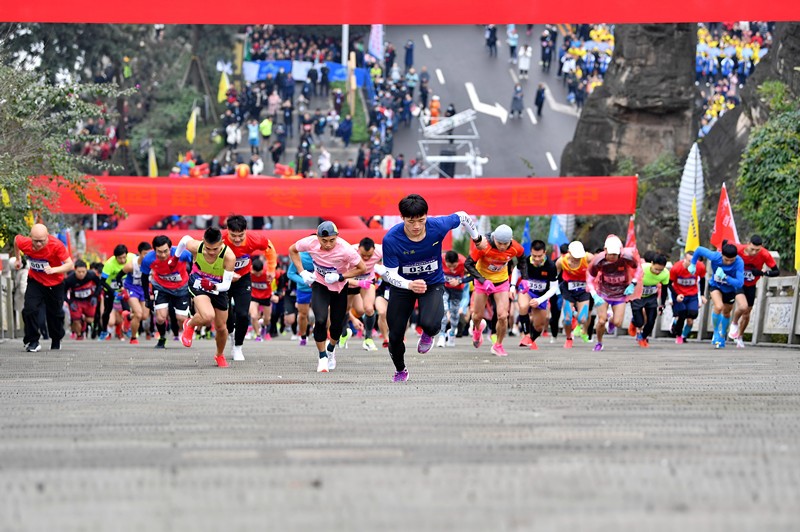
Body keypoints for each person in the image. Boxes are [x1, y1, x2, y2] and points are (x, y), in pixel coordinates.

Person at [381, 195, 485, 382]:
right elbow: (389, 274)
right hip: (403, 286)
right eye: (411, 221)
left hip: (432, 283)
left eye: (421, 220)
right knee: (395, 335)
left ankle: (428, 334)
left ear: (426, 216)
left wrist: (477, 238)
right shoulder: (391, 239)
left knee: (430, 324)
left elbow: (462, 216)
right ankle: (400, 369)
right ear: (402, 218)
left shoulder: (438, 226)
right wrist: (409, 284)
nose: (417, 226)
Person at [288, 221, 366, 373]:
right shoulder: (310, 242)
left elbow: (361, 268)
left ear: (337, 236)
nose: (328, 244)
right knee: (321, 319)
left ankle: (331, 349)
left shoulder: (346, 249)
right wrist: (302, 272)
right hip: (320, 284)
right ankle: (322, 356)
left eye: (332, 240)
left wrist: (341, 276)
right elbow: (292, 250)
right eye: (324, 240)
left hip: (339, 288)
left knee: (337, 325)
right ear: (317, 237)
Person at [175, 228, 237, 367]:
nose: (211, 252)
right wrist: (176, 257)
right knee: (208, 316)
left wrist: (213, 286)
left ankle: (219, 355)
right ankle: (190, 324)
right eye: (208, 248)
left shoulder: (229, 256)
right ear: (203, 242)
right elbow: (184, 239)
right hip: (197, 284)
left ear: (222, 242)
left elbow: (226, 285)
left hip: (218, 288)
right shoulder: (196, 246)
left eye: (215, 249)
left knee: (221, 327)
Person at [222, 215, 277, 361]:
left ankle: (238, 346)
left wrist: (271, 269)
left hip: (243, 279)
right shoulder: (219, 239)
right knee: (225, 314)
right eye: (233, 236)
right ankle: (232, 334)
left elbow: (270, 248)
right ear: (227, 230)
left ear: (246, 230)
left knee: (242, 313)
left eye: (241, 235)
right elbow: (204, 254)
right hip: (223, 278)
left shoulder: (254, 239)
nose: (237, 239)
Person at [465, 224, 525, 356]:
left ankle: (498, 345)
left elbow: (522, 260)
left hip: (502, 283)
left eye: (505, 243)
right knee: (477, 316)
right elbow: (468, 264)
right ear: (494, 238)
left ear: (511, 239)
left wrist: (524, 278)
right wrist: (483, 280)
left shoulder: (515, 247)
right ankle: (477, 329)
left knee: (503, 316)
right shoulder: (483, 245)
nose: (502, 246)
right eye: (499, 243)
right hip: (482, 282)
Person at [14, 224, 74, 351]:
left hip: (55, 284)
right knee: (29, 309)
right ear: (31, 238)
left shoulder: (56, 245)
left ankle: (56, 339)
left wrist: (54, 270)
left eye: (42, 241)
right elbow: (16, 240)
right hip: (35, 281)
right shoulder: (25, 243)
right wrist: (18, 259)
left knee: (55, 314)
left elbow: (70, 265)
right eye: (36, 241)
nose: (39, 244)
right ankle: (33, 341)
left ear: (47, 237)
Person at [587, 235, 643, 352]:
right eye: (610, 254)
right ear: (605, 250)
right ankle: (599, 342)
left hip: (620, 293)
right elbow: (589, 278)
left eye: (615, 255)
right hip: (603, 292)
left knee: (617, 322)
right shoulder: (598, 260)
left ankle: (611, 319)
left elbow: (638, 269)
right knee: (601, 321)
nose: (612, 257)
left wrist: (633, 283)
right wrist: (594, 294)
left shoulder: (627, 257)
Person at [140, 235, 194, 349]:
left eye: (165, 251)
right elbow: (144, 278)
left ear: (170, 248)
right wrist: (146, 297)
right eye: (159, 252)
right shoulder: (148, 259)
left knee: (181, 319)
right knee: (160, 318)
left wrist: (193, 284)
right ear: (154, 250)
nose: (163, 255)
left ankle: (184, 329)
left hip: (181, 288)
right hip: (161, 287)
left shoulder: (182, 254)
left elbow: (194, 265)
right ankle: (162, 338)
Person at [690, 243, 744, 348]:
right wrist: (693, 264)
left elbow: (740, 283)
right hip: (716, 286)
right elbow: (699, 249)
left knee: (727, 312)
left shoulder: (739, 262)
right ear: (721, 255)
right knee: (719, 306)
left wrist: (725, 277)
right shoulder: (715, 256)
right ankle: (715, 333)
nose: (728, 263)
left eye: (731, 260)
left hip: (730, 289)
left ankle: (722, 334)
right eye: (726, 260)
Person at [730, 235, 779, 348]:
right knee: (742, 306)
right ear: (748, 243)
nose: (754, 252)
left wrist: (762, 273)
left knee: (747, 313)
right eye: (752, 249)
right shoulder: (738, 250)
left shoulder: (764, 254)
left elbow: (776, 271)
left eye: (757, 250)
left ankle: (740, 337)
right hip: (738, 282)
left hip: (751, 284)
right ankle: (734, 323)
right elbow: (724, 252)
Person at [344, 238, 384, 352]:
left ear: (374, 250)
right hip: (350, 282)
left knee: (368, 309)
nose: (366, 258)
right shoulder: (349, 251)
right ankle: (343, 334)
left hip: (367, 281)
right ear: (358, 250)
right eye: (363, 255)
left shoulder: (380, 250)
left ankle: (368, 339)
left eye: (369, 255)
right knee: (345, 309)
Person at [517, 240, 558, 350]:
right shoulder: (525, 261)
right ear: (530, 252)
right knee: (523, 305)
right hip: (527, 291)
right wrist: (512, 286)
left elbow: (554, 288)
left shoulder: (551, 266)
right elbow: (516, 271)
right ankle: (525, 334)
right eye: (534, 255)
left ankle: (530, 339)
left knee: (539, 326)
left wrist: (540, 300)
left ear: (545, 253)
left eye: (540, 256)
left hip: (541, 296)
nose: (536, 259)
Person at [557, 240, 594, 348]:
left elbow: (598, 266)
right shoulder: (561, 261)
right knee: (567, 320)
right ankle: (569, 338)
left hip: (583, 290)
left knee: (582, 319)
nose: (578, 258)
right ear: (569, 252)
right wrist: (556, 290)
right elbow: (554, 276)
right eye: (575, 256)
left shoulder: (588, 257)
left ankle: (574, 313)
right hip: (568, 290)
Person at [629, 254, 669, 348]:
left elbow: (664, 290)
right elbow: (630, 280)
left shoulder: (666, 273)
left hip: (651, 296)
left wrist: (662, 304)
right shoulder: (642, 268)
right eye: (656, 269)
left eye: (660, 270)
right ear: (651, 264)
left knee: (651, 320)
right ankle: (634, 322)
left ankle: (643, 337)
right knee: (640, 322)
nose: (658, 272)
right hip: (637, 295)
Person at [669, 249, 707, 344]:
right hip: (679, 294)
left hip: (692, 295)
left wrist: (702, 295)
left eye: (694, 261)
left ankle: (684, 335)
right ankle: (678, 334)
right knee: (681, 315)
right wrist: (675, 296)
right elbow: (669, 284)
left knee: (692, 316)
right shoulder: (676, 268)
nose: (691, 264)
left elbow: (702, 280)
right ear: (684, 259)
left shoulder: (700, 267)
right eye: (689, 261)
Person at [120, 241, 153, 345]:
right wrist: (121, 288)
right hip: (132, 288)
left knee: (144, 316)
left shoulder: (153, 263)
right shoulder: (131, 265)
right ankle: (133, 338)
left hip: (144, 289)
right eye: (145, 254)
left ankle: (128, 316)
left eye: (149, 253)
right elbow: (118, 276)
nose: (147, 256)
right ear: (139, 253)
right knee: (138, 314)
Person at [437, 251, 471, 348]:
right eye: (449, 266)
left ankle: (452, 333)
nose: (451, 269)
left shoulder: (464, 261)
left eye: (454, 266)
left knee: (455, 314)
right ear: (445, 261)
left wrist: (460, 281)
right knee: (444, 310)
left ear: (458, 261)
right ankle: (442, 335)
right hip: (444, 288)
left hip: (457, 290)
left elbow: (474, 275)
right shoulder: (440, 258)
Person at [64, 259, 103, 340]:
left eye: (83, 272)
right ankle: (79, 335)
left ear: (86, 270)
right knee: (76, 320)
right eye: (79, 272)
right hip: (76, 301)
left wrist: (95, 296)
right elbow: (62, 293)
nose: (81, 274)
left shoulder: (91, 275)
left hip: (89, 300)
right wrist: (69, 302)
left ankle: (83, 319)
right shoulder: (69, 279)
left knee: (90, 320)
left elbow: (99, 285)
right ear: (75, 270)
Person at [285, 251, 315, 346]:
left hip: (319, 288)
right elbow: (290, 273)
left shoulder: (324, 255)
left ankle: (326, 336)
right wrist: (304, 281)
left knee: (324, 311)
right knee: (303, 314)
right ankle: (303, 336)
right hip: (303, 289)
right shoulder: (300, 256)